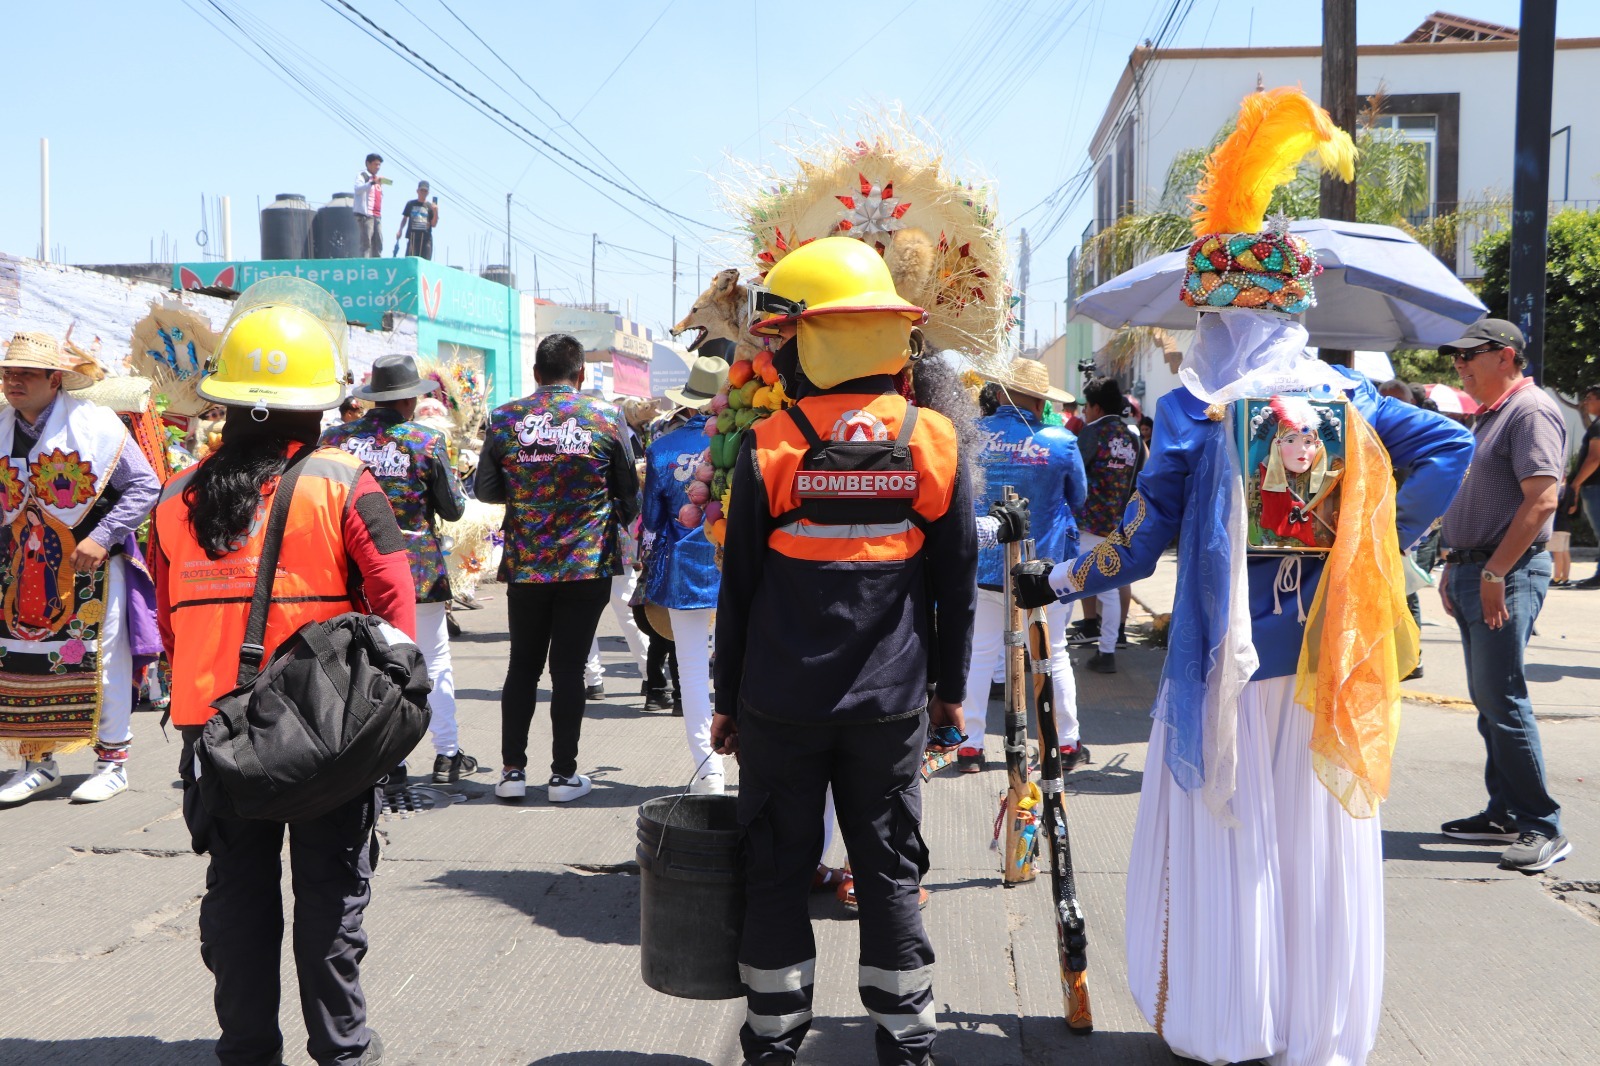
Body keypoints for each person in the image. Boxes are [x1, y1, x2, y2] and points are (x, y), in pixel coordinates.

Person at [1012, 87, 1474, 1066]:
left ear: (1219, 315)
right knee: (1315, 844)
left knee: (1233, 841)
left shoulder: (1191, 411)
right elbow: (1450, 455)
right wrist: (1372, 540)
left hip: (1223, 675)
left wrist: (1052, 583)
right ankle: (1315, 1030)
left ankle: (1231, 1022)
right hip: (1324, 663)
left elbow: (1130, 548)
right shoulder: (1349, 398)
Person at [711, 236, 976, 1066]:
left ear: (814, 340)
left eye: (782, 339)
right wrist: (950, 691)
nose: (774, 356)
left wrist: (724, 702)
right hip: (891, 705)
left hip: (779, 704)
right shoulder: (934, 441)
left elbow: (740, 591)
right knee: (890, 870)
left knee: (778, 869)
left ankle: (775, 1042)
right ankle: (906, 1043)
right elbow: (955, 584)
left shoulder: (771, 448)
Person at [150, 277, 414, 1066]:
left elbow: (169, 620)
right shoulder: (343, 483)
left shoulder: (173, 498)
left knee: (238, 896)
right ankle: (341, 1050)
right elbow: (396, 595)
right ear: (316, 403)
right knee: (330, 894)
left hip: (216, 731)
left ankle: (247, 1050)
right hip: (324, 728)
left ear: (228, 400)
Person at [476, 333, 639, 804]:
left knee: (522, 666)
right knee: (569, 669)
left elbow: (485, 490)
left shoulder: (505, 418)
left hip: (527, 564)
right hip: (587, 565)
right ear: (581, 374)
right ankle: (563, 777)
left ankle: (511, 773)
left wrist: (527, 491)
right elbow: (629, 496)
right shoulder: (606, 417)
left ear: (536, 374)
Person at [0, 332, 161, 807]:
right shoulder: (2, 425)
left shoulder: (97, 426)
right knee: (21, 660)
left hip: (89, 569)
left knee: (99, 660)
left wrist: (102, 536)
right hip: (20, 568)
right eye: (9, 372)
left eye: (25, 373)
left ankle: (111, 764)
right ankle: (37, 762)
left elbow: (144, 486)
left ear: (55, 380)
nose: (13, 381)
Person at [1437, 320, 1571, 872]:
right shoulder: (1494, 414)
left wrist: (1492, 572)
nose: (1461, 365)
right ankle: (1505, 813)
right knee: (1491, 700)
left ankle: (1542, 825)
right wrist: (1456, 564)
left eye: (1473, 355)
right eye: (1457, 358)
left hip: (1504, 572)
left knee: (1504, 698)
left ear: (1507, 356)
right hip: (1479, 568)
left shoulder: (1530, 409)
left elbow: (1541, 502)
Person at [322, 353, 474, 784]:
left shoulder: (336, 440)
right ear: (410, 399)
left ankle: (388, 762)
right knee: (433, 660)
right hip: (415, 568)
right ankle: (446, 754)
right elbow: (454, 508)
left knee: (364, 663)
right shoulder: (426, 442)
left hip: (352, 567)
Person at [960, 358, 1085, 773]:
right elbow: (1079, 499)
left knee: (980, 655)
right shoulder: (1061, 440)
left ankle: (970, 746)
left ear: (999, 394)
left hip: (984, 564)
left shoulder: (972, 435)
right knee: (1053, 653)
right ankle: (1064, 743)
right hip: (1044, 570)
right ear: (1038, 400)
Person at [642, 354, 729, 792]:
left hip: (686, 573)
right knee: (746, 670)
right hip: (739, 571)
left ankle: (709, 771)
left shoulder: (661, 449)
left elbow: (652, 523)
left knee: (692, 672)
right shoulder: (751, 439)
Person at [1068, 376, 1145, 672]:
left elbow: (1075, 475)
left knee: (1070, 581)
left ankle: (1053, 653)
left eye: (1087, 406)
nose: (1085, 412)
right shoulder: (1132, 436)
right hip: (1118, 523)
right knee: (1110, 588)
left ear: (1097, 407)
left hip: (1086, 522)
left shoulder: (1092, 433)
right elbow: (1138, 478)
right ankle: (1107, 651)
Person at [1568, 384, 1600, 588]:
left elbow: (1595, 458)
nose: (1585, 402)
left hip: (1595, 487)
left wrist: (1576, 484)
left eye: (1590, 398)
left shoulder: (1597, 427)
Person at [354, 153, 387, 258]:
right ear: (368, 164)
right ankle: (365, 264)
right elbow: (358, 189)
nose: (377, 167)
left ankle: (377, 264)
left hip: (377, 215)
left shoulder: (376, 179)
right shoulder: (363, 175)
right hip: (366, 215)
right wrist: (372, 183)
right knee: (366, 242)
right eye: (375, 164)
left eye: (379, 165)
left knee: (378, 242)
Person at [395, 181, 438, 260]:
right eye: (421, 190)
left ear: (428, 193)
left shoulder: (430, 206)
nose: (423, 193)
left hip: (425, 238)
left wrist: (435, 211)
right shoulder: (410, 204)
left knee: (425, 262)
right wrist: (400, 230)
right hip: (413, 237)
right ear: (417, 191)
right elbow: (405, 218)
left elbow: (434, 224)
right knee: (410, 260)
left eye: (425, 191)